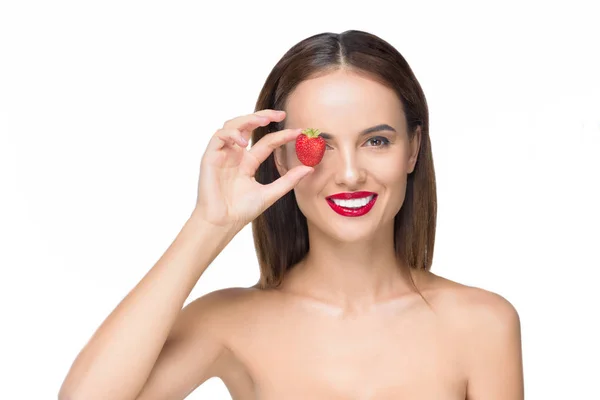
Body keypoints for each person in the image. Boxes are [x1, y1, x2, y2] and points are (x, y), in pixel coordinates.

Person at [59, 30, 524, 400]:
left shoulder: (483, 323)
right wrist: (209, 225)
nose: (348, 174)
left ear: (413, 150)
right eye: (318, 145)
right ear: (281, 159)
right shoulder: (229, 322)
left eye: (376, 141)